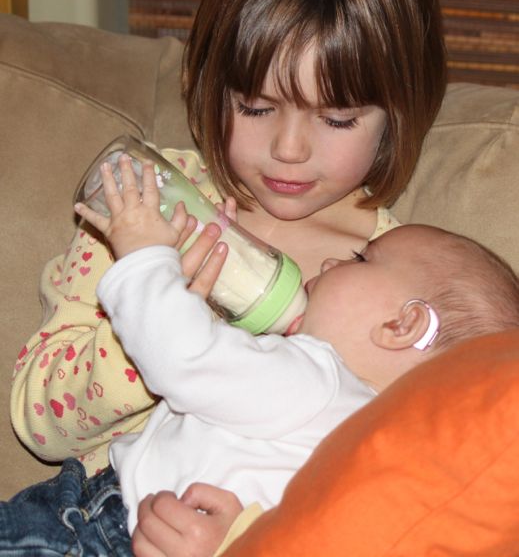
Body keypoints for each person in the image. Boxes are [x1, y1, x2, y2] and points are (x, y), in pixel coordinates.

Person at [11, 0, 446, 494]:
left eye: (337, 119)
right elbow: (40, 425)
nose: (289, 150)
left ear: (400, 111)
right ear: (210, 83)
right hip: (96, 511)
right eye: (256, 108)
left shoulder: (396, 278)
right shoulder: (145, 201)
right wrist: (153, 324)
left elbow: (391, 474)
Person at [2, 158, 518, 557]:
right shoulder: (366, 450)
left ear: (403, 325)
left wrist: (144, 255)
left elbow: (183, 356)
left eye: (362, 259)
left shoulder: (320, 379)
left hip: (95, 531)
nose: (333, 261)